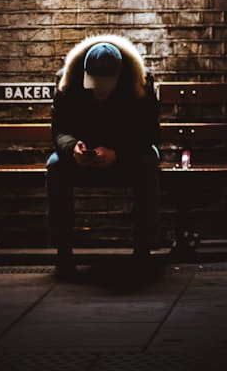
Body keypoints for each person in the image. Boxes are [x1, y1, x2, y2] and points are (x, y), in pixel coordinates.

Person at [46, 35, 161, 279]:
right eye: (94, 83)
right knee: (55, 166)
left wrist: (118, 152)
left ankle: (143, 251)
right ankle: (63, 252)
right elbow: (59, 130)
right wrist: (72, 149)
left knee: (148, 161)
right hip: (83, 155)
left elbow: (149, 132)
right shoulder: (67, 82)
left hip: (128, 153)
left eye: (106, 84)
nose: (99, 89)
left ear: (119, 76)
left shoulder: (140, 82)